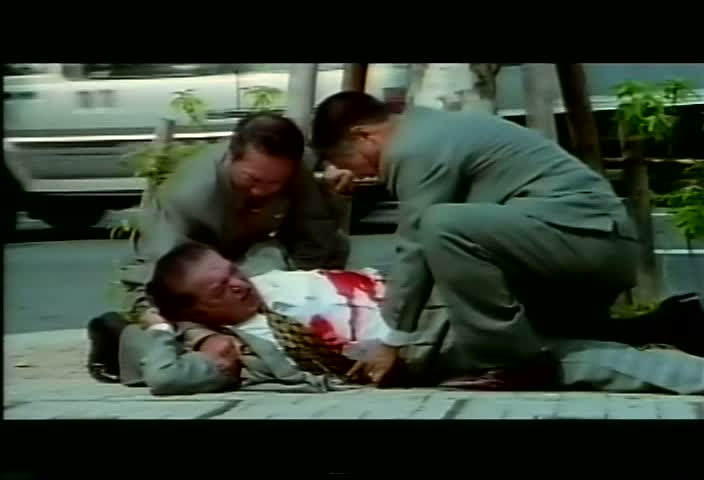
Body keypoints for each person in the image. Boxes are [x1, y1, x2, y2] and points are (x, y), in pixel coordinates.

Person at [309, 91, 644, 387]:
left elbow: (414, 248)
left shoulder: (413, 149)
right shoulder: (425, 129)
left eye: (347, 161)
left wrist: (391, 342)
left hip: (589, 240)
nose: (360, 175)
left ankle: (513, 363)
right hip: (587, 238)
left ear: (364, 136)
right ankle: (644, 330)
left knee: (440, 225)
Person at [102, 242, 704, 396]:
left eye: (231, 269)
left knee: (565, 289)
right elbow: (167, 377)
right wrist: (164, 327)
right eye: (221, 287)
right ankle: (669, 349)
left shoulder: (270, 278)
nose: (238, 282)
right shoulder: (241, 348)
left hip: (435, 295)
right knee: (583, 359)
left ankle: (657, 323)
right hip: (430, 342)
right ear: (197, 310)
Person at [117, 112, 351, 325]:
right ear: (232, 157)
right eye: (253, 179)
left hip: (254, 258)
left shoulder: (296, 168)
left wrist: (305, 292)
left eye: (275, 183)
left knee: (334, 247)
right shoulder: (188, 195)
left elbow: (314, 232)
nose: (262, 191)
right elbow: (166, 272)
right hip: (196, 269)